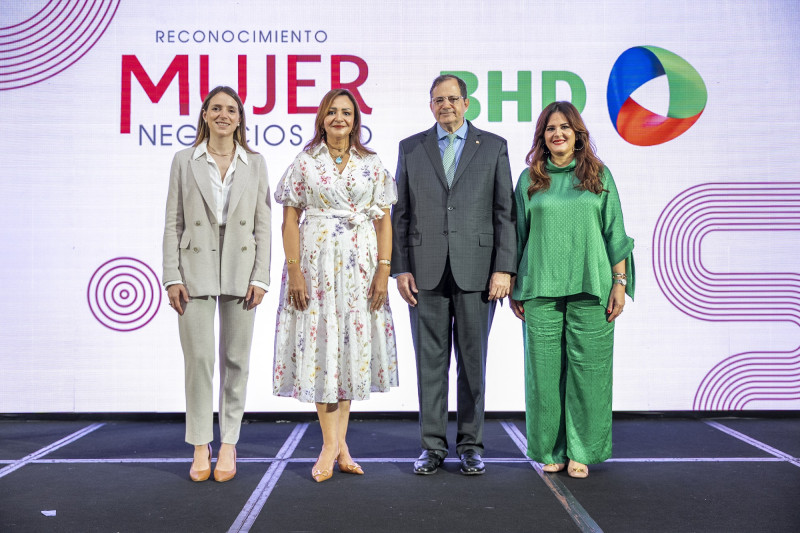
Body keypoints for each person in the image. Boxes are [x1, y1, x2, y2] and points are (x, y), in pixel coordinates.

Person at [391, 74, 516, 476]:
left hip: (479, 271)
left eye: (452, 98)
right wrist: (401, 268)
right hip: (423, 271)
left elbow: (504, 213)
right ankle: (431, 447)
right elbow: (401, 213)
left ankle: (470, 445)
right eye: (437, 100)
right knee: (430, 364)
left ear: (466, 104)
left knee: (473, 362)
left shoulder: (494, 147)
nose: (445, 105)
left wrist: (504, 267)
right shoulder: (411, 148)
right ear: (431, 106)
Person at [273, 89, 398, 483]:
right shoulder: (305, 162)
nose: (339, 118)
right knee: (324, 347)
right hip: (316, 265)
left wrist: (384, 269)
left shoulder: (371, 163)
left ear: (355, 119)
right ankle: (330, 446)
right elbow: (290, 221)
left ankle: (339, 445)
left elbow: (384, 221)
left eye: (346, 112)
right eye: (332, 112)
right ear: (322, 118)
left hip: (360, 267)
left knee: (348, 350)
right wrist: (294, 270)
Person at [510, 101, 635, 479]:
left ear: (577, 134)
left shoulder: (599, 175)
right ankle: (551, 449)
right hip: (540, 287)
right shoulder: (529, 179)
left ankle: (582, 450)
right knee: (544, 374)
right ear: (542, 137)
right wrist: (516, 285)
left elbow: (615, 233)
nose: (558, 133)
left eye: (565, 127)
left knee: (590, 372)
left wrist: (620, 282)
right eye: (550, 128)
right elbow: (518, 236)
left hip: (592, 287)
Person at [162, 86, 271, 483]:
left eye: (231, 109)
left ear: (240, 119)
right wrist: (171, 276)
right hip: (195, 268)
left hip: (241, 268)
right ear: (204, 115)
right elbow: (173, 221)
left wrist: (261, 276)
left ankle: (229, 443)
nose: (224, 115)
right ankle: (199, 445)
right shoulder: (183, 160)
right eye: (216, 108)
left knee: (236, 360)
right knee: (200, 361)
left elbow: (263, 224)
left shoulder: (255, 163)